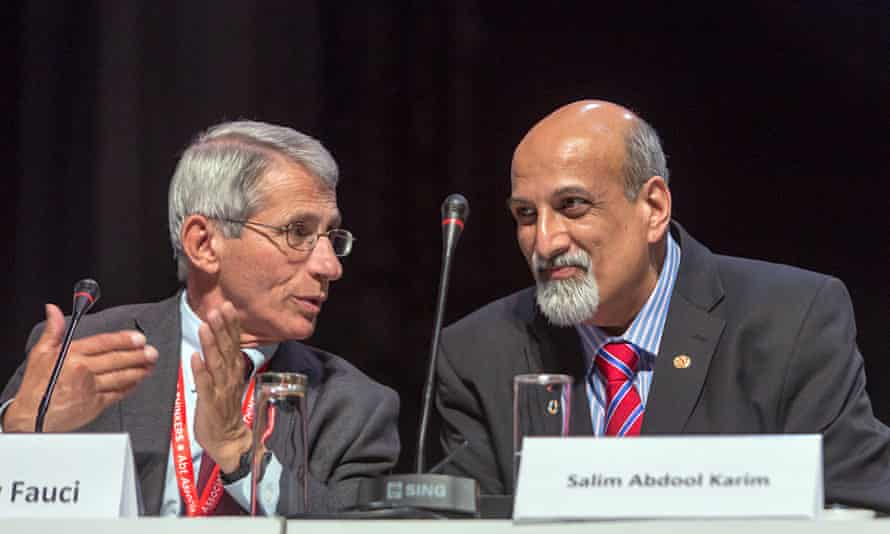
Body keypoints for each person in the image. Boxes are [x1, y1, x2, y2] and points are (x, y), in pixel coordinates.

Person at [435, 100, 890, 510]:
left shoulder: (793, 320)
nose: (545, 241)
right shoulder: (478, 354)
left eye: (572, 205)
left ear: (653, 207)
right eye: (526, 215)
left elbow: (859, 503)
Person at [1, 121, 400, 515]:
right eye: (298, 232)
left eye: (331, 236)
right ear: (204, 244)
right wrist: (15, 429)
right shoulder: (82, 355)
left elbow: (357, 527)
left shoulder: (354, 407)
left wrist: (238, 450)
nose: (330, 266)